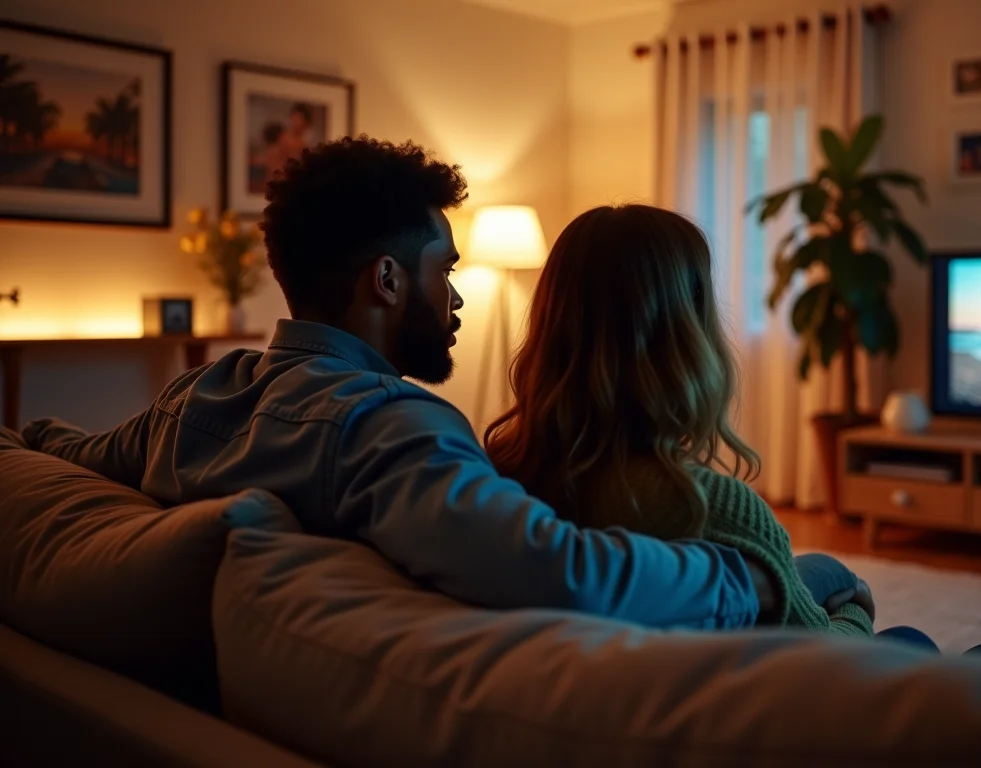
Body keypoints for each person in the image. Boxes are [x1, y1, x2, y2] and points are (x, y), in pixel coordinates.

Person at [19, 136, 849, 632]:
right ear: (386, 281)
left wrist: (24, 439)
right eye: (442, 272)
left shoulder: (198, 395)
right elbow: (559, 572)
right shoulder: (389, 429)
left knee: (832, 575)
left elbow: (72, 448)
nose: (453, 296)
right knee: (827, 583)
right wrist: (745, 578)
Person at [483, 204, 981, 656]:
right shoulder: (709, 507)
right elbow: (830, 663)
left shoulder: (501, 480)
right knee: (975, 651)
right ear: (684, 337)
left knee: (826, 567)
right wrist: (853, 613)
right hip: (799, 715)